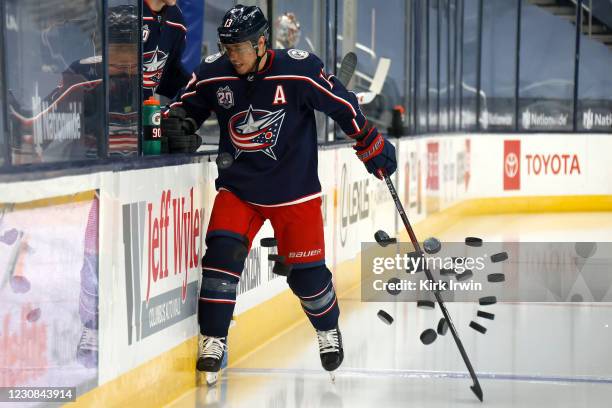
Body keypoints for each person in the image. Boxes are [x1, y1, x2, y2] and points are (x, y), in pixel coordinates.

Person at [162, 4, 397, 377]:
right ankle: (214, 338)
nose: (231, 54)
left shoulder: (298, 70)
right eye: (226, 46)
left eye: (238, 47)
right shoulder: (213, 73)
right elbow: (182, 107)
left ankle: (327, 328)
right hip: (239, 189)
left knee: (307, 277)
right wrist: (177, 124)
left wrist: (370, 143)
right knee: (221, 256)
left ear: (260, 43)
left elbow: (341, 104)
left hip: (294, 192)